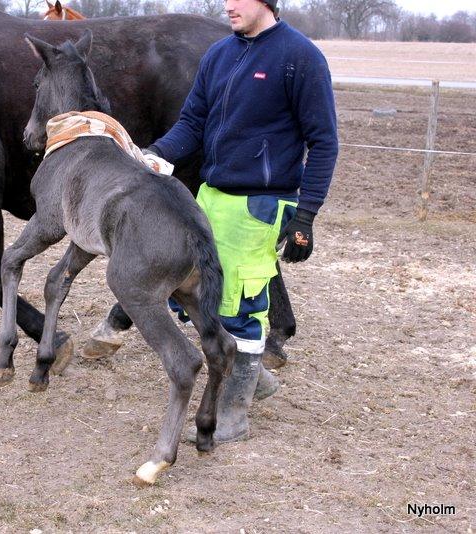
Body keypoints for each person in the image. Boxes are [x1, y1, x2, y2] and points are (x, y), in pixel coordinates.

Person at [146, 0, 338, 443]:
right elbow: (193, 122)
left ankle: (234, 411)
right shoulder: (219, 53)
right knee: (187, 291)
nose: (227, 5)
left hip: (261, 205)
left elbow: (324, 142)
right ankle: (256, 380)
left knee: (240, 305)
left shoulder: (300, 57)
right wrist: (155, 156)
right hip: (210, 196)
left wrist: (305, 214)